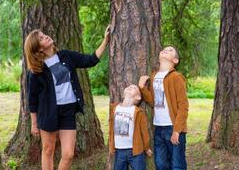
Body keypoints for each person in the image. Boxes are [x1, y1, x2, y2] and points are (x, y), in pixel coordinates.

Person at [25, 26, 110, 170]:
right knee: (48, 150)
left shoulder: (66, 56)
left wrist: (106, 40)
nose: (46, 36)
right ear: (38, 49)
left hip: (68, 110)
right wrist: (34, 124)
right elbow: (32, 100)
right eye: (41, 38)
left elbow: (90, 60)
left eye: (44, 34)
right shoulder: (36, 71)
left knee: (69, 154)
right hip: (49, 113)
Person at [139, 46, 189, 170]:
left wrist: (177, 130)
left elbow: (183, 105)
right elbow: (153, 102)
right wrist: (142, 87)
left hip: (173, 127)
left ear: (175, 60)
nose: (166, 50)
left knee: (177, 164)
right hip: (159, 127)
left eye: (171, 50)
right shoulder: (154, 76)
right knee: (160, 164)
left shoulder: (176, 77)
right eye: (164, 49)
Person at [109, 85, 152, 170]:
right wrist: (111, 145)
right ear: (124, 93)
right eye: (128, 87)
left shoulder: (138, 112)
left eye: (134, 88)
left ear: (138, 97)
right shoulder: (114, 108)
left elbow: (144, 132)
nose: (130, 87)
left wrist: (147, 148)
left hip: (135, 151)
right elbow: (111, 129)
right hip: (119, 150)